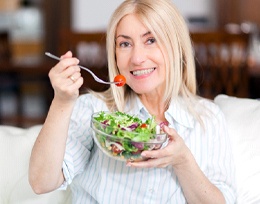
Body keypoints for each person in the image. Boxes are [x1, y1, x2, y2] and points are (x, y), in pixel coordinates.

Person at [29, 0, 236, 203]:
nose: (137, 58)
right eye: (125, 44)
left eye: (151, 40)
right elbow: (42, 183)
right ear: (115, 54)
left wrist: (182, 161)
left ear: (177, 46)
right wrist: (62, 102)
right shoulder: (93, 110)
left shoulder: (207, 118)